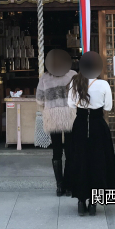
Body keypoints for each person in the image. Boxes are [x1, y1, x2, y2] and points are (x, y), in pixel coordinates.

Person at [67, 52, 115, 216]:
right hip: (98, 126)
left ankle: (81, 202)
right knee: (98, 162)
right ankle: (93, 204)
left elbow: (70, 104)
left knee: (80, 160)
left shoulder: (75, 82)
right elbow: (108, 107)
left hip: (81, 124)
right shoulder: (104, 85)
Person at [36, 49, 77, 197]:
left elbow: (39, 99)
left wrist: (46, 109)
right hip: (70, 116)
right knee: (71, 151)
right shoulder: (73, 75)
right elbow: (79, 95)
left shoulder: (45, 78)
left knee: (57, 151)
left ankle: (59, 186)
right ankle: (69, 185)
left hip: (52, 117)